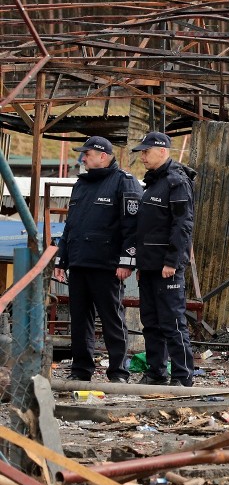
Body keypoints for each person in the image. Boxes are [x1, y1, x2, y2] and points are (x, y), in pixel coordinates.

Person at [55, 136, 142, 384]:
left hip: (107, 266)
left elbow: (132, 227)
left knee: (112, 319)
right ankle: (81, 370)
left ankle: (118, 372)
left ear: (103, 156)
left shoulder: (124, 183)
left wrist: (127, 261)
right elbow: (70, 226)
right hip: (80, 263)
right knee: (80, 320)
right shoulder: (80, 185)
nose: (83, 158)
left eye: (87, 154)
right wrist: (61, 260)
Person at [132, 131, 197, 386]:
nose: (143, 157)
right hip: (149, 267)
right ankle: (155, 372)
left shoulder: (176, 182)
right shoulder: (153, 182)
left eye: (146, 152)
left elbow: (182, 225)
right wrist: (142, 264)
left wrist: (172, 261)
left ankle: (183, 376)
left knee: (172, 322)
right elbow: (148, 227)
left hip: (166, 267)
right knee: (151, 322)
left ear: (162, 151)